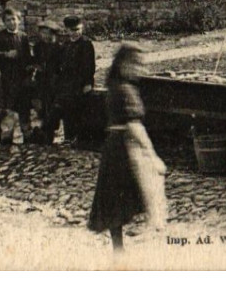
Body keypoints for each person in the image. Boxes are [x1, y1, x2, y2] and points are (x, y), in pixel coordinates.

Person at [88, 43, 166, 251]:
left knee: (115, 196)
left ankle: (118, 247)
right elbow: (134, 126)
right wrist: (152, 154)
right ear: (124, 64)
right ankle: (144, 238)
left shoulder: (115, 85)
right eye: (136, 65)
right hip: (125, 146)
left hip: (114, 144)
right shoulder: (125, 90)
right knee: (141, 190)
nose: (140, 70)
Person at [0, 6, 34, 141]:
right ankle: (6, 138)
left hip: (21, 77)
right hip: (7, 78)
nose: (11, 23)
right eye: (8, 20)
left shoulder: (23, 37)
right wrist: (5, 55)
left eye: (14, 19)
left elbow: (28, 57)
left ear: (19, 20)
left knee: (24, 107)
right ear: (4, 22)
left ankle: (27, 136)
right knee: (8, 109)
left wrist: (30, 70)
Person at [51, 16, 96, 143]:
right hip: (67, 83)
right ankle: (68, 137)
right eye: (73, 30)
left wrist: (87, 82)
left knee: (79, 110)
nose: (76, 33)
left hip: (80, 83)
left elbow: (89, 66)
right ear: (67, 31)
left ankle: (80, 138)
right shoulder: (66, 45)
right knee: (66, 110)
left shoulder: (86, 44)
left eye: (78, 29)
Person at [32, 17, 63, 143]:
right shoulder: (38, 46)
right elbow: (36, 61)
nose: (44, 36)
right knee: (43, 107)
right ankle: (45, 134)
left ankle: (49, 132)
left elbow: (61, 66)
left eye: (47, 33)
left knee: (53, 107)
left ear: (53, 34)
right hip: (42, 81)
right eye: (42, 33)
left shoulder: (59, 47)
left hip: (55, 81)